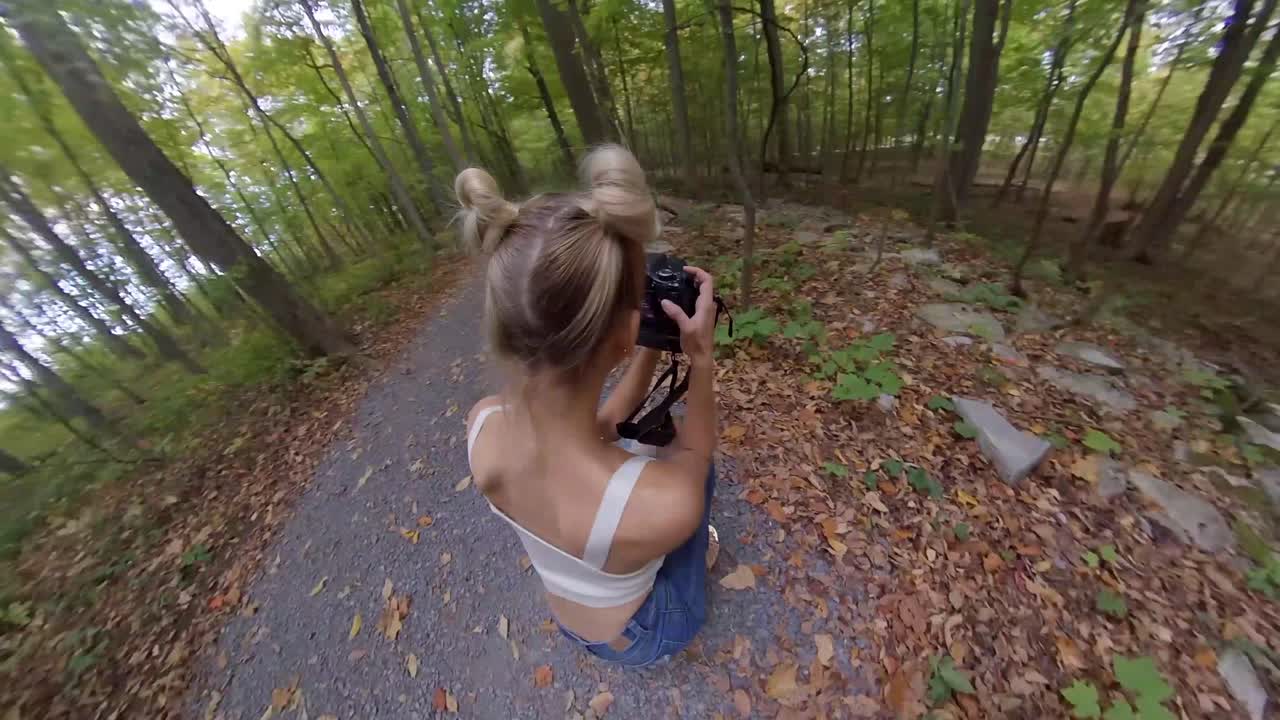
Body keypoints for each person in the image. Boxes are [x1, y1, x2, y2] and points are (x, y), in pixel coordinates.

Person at [460, 146, 719, 667]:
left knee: (627, 451)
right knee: (701, 487)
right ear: (625, 331)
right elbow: (698, 453)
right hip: (646, 634)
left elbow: (597, 430)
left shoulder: (483, 424)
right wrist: (702, 361)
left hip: (575, 617)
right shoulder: (665, 504)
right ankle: (692, 568)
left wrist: (646, 344)